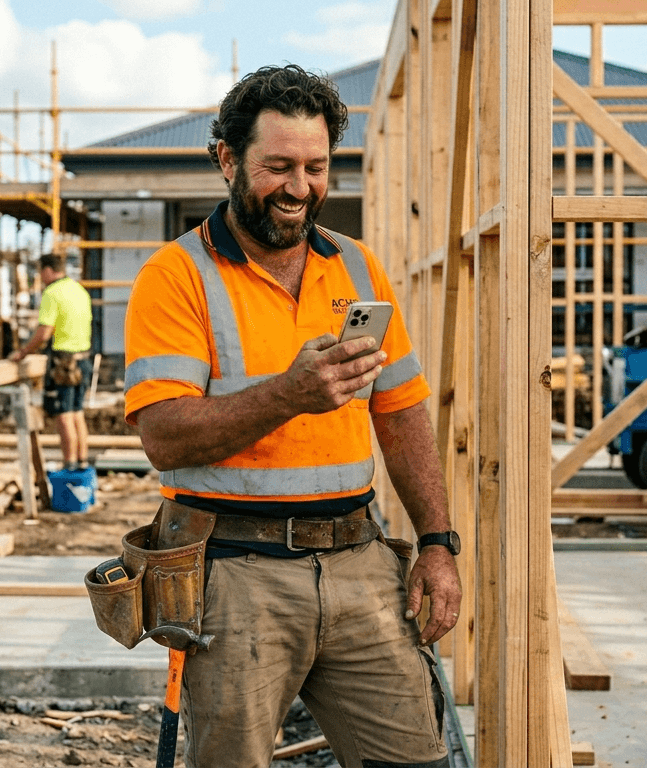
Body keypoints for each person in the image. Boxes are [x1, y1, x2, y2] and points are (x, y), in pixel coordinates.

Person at [122, 65, 461, 768]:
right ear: (226, 159)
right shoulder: (175, 275)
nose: (299, 189)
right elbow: (163, 436)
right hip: (235, 576)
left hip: (359, 560)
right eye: (277, 166)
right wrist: (288, 394)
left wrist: (436, 543)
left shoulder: (357, 268)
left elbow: (400, 414)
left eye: (315, 167)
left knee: (415, 758)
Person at [9, 254, 93, 470]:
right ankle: (82, 462)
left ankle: (69, 465)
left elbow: (44, 333)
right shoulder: (79, 290)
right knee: (77, 414)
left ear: (47, 270)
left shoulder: (52, 293)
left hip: (63, 362)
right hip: (83, 359)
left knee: (63, 416)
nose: (40, 277)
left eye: (40, 272)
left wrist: (23, 352)